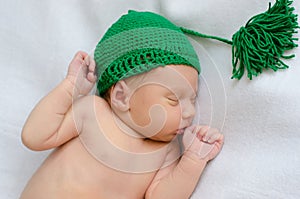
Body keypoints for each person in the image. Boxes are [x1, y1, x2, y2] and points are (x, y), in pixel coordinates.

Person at [20, 10, 224, 199]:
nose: (190, 112)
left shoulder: (165, 151)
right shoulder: (92, 113)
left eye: (193, 99)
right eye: (173, 100)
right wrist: (70, 86)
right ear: (121, 96)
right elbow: (34, 136)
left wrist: (193, 161)